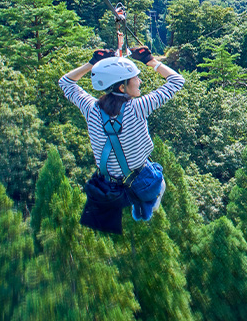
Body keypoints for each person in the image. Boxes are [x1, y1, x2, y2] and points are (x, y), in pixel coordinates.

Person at [59, 46, 185, 232]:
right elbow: (176, 81)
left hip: (108, 185)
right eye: (135, 78)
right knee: (157, 174)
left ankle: (137, 206)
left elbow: (66, 83)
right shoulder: (138, 107)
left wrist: (92, 64)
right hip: (142, 181)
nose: (139, 81)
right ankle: (145, 208)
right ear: (121, 87)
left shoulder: (91, 108)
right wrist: (151, 61)